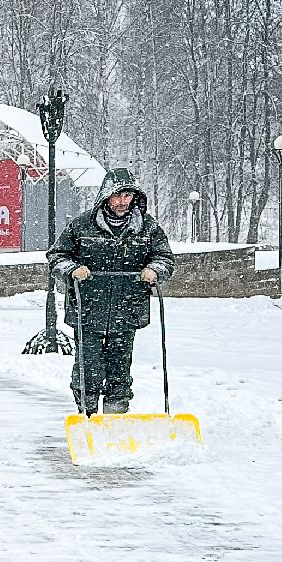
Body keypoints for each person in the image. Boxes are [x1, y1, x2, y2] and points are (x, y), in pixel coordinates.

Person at [47, 168, 175, 415]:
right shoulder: (81, 226)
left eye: (126, 195)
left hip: (127, 310)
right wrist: (72, 269)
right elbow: (56, 256)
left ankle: (116, 415)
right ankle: (88, 413)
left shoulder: (148, 228)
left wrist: (155, 270)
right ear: (105, 196)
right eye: (116, 196)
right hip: (88, 308)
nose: (121, 201)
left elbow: (164, 257)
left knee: (119, 367)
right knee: (89, 366)